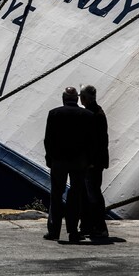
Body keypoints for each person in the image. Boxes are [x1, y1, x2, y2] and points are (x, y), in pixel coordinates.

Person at [43, 86, 93, 242]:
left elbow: (48, 139)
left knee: (56, 195)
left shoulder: (54, 113)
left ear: (64, 99)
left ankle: (54, 231)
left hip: (59, 160)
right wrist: (89, 161)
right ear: (77, 99)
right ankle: (73, 231)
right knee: (75, 196)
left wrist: (49, 158)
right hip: (79, 161)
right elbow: (91, 142)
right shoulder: (88, 115)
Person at [79, 85, 109, 238]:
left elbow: (95, 142)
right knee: (89, 194)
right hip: (95, 162)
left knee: (93, 194)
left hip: (92, 163)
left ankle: (99, 226)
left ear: (84, 98)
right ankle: (88, 226)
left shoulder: (93, 115)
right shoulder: (97, 112)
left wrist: (91, 161)